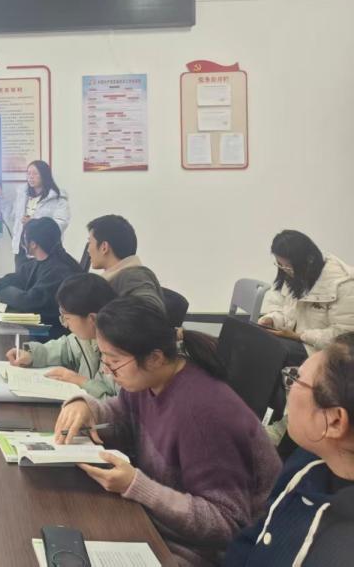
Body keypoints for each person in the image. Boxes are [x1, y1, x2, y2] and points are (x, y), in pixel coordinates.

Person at [54, 296, 281, 566]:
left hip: (207, 551)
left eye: (113, 361)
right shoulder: (151, 380)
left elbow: (227, 523)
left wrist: (137, 485)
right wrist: (87, 408)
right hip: (158, 523)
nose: (106, 370)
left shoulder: (202, 413)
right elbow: (125, 415)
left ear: (154, 358)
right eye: (104, 357)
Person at [224, 332, 354, 566]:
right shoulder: (306, 460)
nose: (290, 388)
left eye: (297, 379)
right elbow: (253, 538)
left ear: (335, 421)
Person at [5, 273, 118, 398]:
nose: (64, 324)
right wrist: (31, 354)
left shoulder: (122, 352)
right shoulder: (89, 337)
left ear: (92, 319)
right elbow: (64, 349)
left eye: (67, 318)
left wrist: (81, 382)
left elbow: (120, 405)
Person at [257, 230, 354, 365]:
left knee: (264, 353)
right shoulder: (293, 274)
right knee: (250, 341)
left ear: (309, 260)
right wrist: (271, 319)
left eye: (288, 266)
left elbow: (345, 337)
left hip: (321, 351)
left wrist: (300, 336)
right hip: (295, 340)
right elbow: (281, 308)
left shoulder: (344, 284)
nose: (284, 270)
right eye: (280, 265)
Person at [0, 217, 83, 337]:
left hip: (53, 331)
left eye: (25, 238)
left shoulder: (58, 270)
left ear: (33, 244)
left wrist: (0, 293)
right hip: (41, 323)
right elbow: (16, 278)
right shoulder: (42, 261)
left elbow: (28, 301)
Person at [0, 160, 70, 270]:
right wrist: (0, 197)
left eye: (35, 173)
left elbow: (61, 223)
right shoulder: (23, 195)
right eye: (28, 173)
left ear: (44, 175)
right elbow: (11, 215)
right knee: (21, 279)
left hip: (44, 251)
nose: (31, 177)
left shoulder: (57, 198)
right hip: (23, 249)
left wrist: (34, 223)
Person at [86, 214, 165, 312]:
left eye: (90, 243)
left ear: (104, 247)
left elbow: (150, 309)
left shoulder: (134, 276)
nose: (88, 250)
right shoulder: (124, 276)